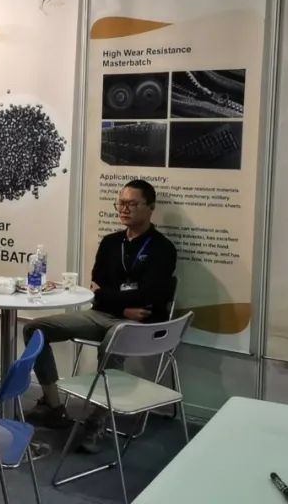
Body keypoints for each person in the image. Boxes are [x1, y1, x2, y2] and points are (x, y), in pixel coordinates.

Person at [22, 179, 177, 434]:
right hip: (104, 314)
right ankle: (53, 406)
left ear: (151, 207)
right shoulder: (110, 243)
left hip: (139, 324)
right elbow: (96, 288)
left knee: (114, 338)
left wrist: (108, 296)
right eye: (121, 203)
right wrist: (121, 305)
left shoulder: (163, 248)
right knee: (35, 329)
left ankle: (98, 419)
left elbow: (151, 295)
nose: (124, 209)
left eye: (132, 204)